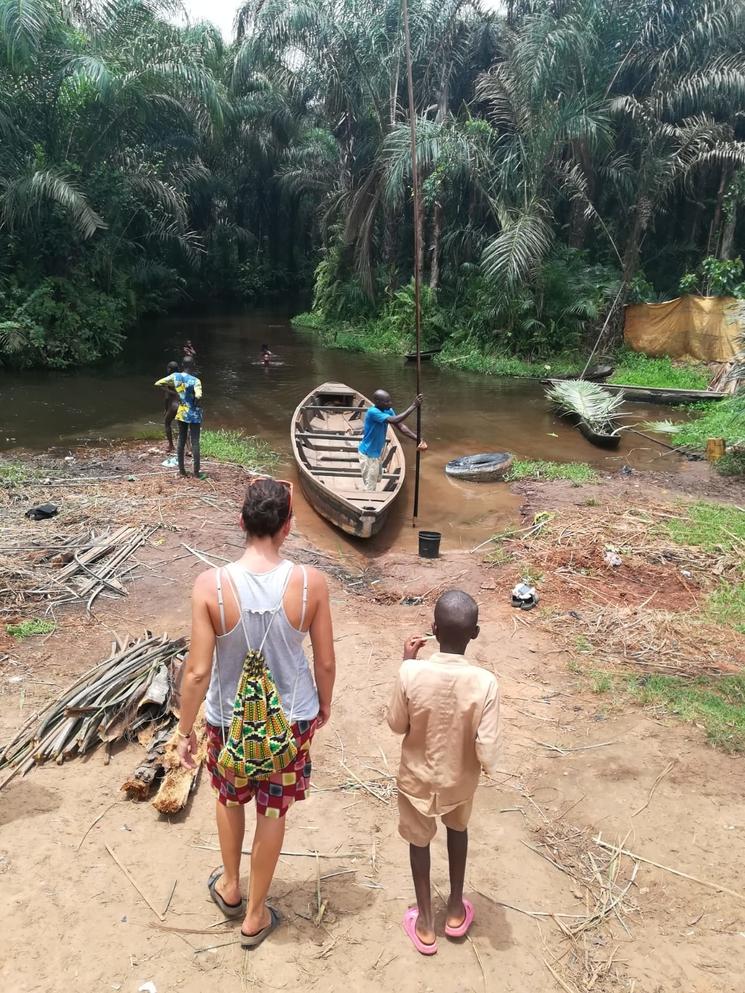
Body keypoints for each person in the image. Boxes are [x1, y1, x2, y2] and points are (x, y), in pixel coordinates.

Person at [176, 477, 336, 949]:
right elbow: (325, 661)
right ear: (288, 526)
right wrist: (324, 702)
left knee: (228, 798)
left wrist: (185, 730)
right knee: (273, 808)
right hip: (292, 721)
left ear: (241, 522)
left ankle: (230, 885)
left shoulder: (211, 585)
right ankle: (255, 914)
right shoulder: (311, 584)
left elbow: (197, 672)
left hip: (228, 721)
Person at [386, 590, 499, 955]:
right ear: (475, 634)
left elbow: (396, 724)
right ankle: (454, 909)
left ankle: (424, 922)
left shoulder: (411, 672)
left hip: (417, 778)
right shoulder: (485, 683)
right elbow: (488, 746)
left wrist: (406, 662)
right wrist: (485, 767)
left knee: (418, 842)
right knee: (458, 830)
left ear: (433, 629)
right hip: (459, 779)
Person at [358, 390, 428, 492]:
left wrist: (417, 439)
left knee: (375, 480)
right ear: (377, 402)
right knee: (370, 486)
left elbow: (401, 426)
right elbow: (395, 420)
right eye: (386, 402)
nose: (390, 403)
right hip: (368, 454)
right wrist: (413, 406)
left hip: (376, 453)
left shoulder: (388, 410)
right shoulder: (373, 412)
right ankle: (367, 504)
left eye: (389, 401)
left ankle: (370, 496)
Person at [154, 355, 203, 477]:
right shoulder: (196, 381)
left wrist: (174, 392)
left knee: (181, 440)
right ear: (193, 366)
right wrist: (195, 401)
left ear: (182, 365)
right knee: (195, 441)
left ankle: (182, 471)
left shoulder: (175, 377)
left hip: (182, 412)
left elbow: (158, 383)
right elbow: (198, 395)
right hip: (194, 414)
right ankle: (196, 472)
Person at [161, 361, 180, 454]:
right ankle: (189, 449)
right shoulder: (183, 378)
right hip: (183, 404)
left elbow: (167, 397)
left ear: (169, 369)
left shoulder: (168, 380)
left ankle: (171, 445)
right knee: (183, 426)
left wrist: (165, 409)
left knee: (167, 423)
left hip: (174, 406)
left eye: (168, 368)